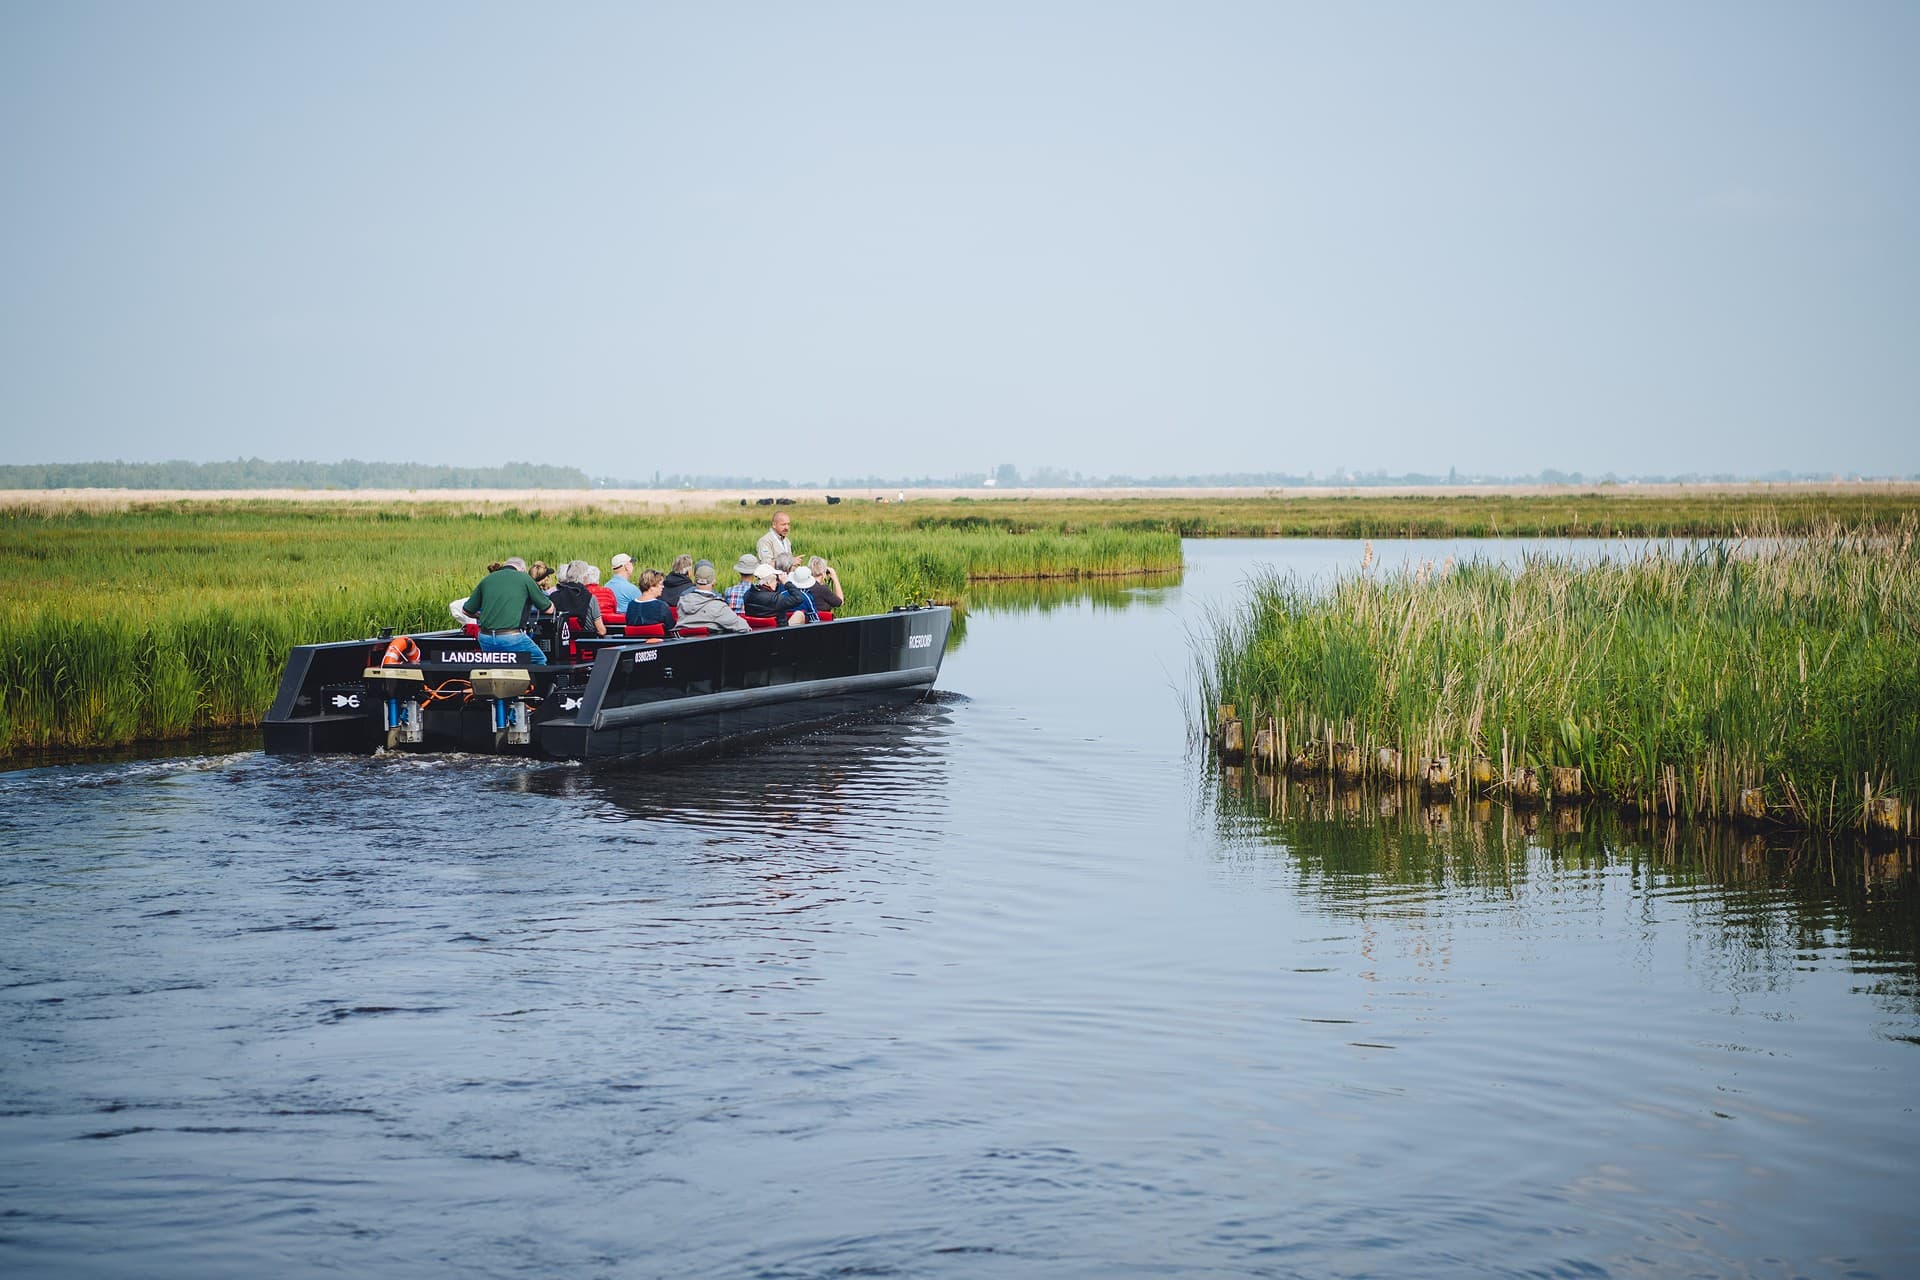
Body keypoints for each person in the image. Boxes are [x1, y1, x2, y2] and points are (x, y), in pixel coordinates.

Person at [461, 557, 554, 664]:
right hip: (511, 637)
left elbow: (466, 610)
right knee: (538, 659)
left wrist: (480, 616)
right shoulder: (524, 578)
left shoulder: (487, 580)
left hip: (485, 638)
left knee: (497, 665)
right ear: (522, 569)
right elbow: (548, 609)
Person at [671, 560, 750, 633]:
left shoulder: (682, 601)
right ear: (714, 581)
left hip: (683, 645)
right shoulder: (718, 606)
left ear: (695, 581)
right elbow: (743, 626)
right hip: (710, 646)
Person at [549, 561, 606, 638]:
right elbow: (601, 631)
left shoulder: (554, 596)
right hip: (586, 644)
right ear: (584, 577)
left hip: (561, 643)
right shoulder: (590, 598)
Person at [623, 568, 674, 635]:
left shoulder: (631, 605)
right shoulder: (661, 606)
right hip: (659, 644)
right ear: (651, 587)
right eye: (661, 584)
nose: (663, 587)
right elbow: (671, 629)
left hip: (634, 643)